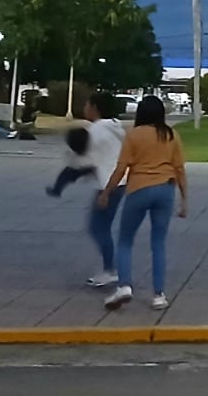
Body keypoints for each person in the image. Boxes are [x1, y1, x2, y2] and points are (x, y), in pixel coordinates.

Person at [99, 95, 188, 311]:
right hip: (166, 189)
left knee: (125, 240)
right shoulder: (171, 135)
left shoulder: (134, 135)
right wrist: (184, 199)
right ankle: (158, 295)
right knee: (158, 243)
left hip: (139, 188)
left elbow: (122, 168)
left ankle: (124, 285)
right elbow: (179, 168)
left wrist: (107, 192)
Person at [81, 93, 129, 287]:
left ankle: (110, 269)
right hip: (120, 181)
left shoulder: (97, 129)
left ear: (95, 107)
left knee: (97, 227)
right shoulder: (116, 126)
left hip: (108, 184)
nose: (84, 108)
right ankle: (110, 268)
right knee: (102, 226)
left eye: (86, 104)